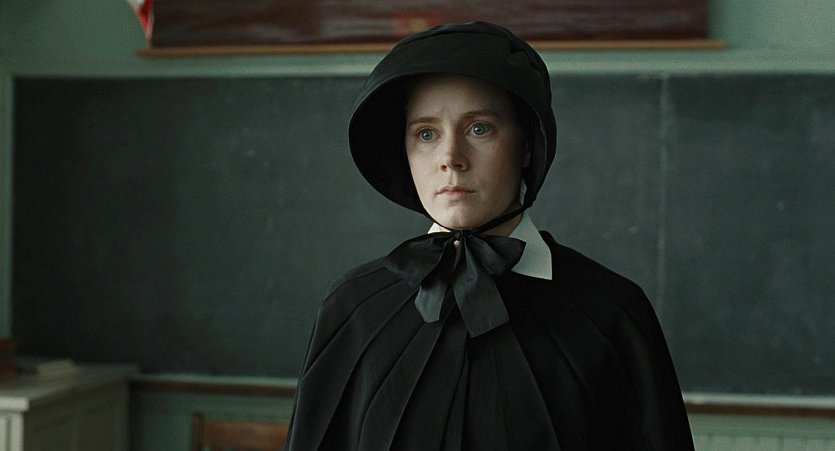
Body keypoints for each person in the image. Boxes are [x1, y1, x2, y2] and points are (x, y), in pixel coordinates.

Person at [286, 22, 694, 450]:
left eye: (479, 128)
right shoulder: (351, 309)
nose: (450, 158)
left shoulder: (613, 315)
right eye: (426, 134)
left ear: (527, 145)